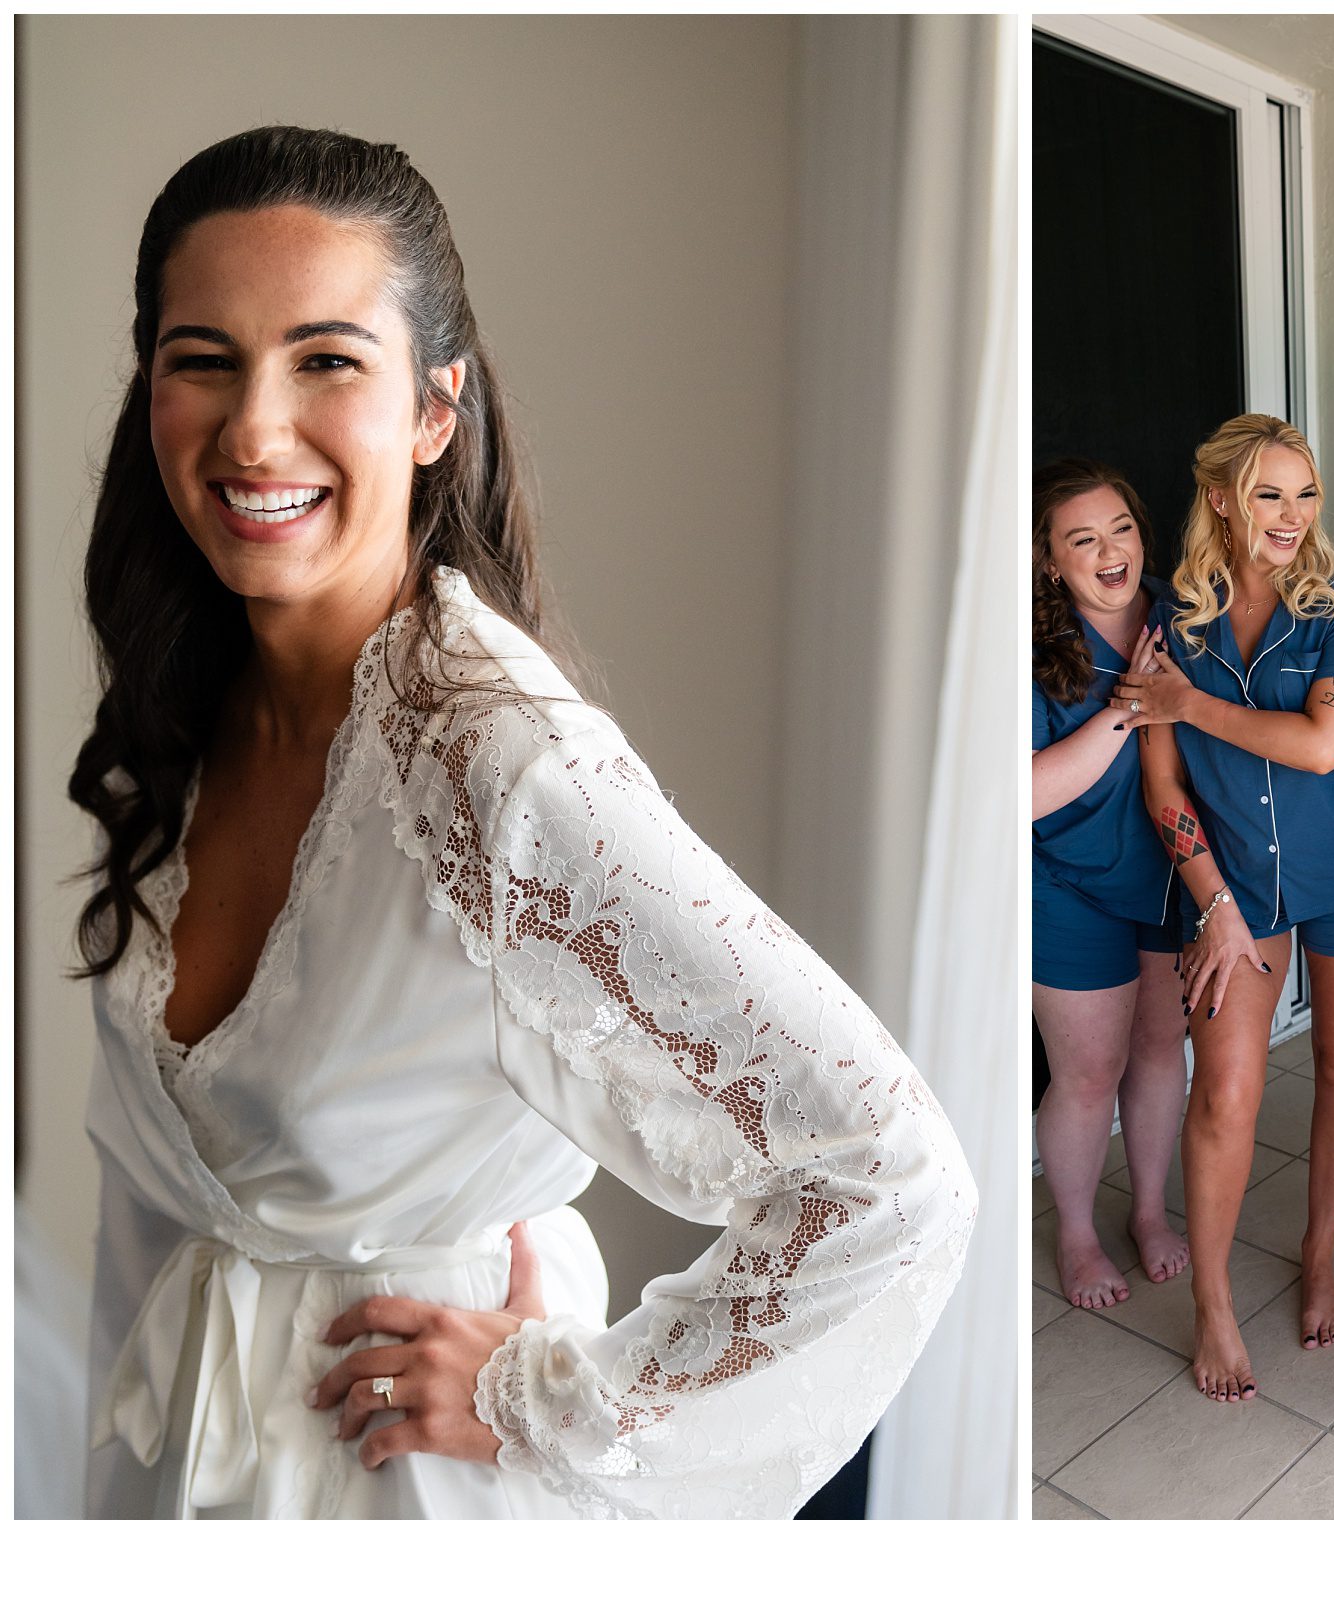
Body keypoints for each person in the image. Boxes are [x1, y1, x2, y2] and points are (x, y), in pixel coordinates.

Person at [70, 126, 973, 1519]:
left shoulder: (495, 768)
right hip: (166, 1480)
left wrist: (556, 1400)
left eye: (326, 359)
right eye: (205, 359)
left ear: (435, 409)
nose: (255, 428)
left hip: (403, 1503)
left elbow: (889, 1174)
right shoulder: (191, 708)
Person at [1114, 413, 1334, 1402]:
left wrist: (1190, 705)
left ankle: (1316, 1253)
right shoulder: (1171, 619)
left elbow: (1325, 746)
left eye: (1306, 493)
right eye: (1269, 494)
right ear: (1218, 498)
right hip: (1233, 884)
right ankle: (1211, 1306)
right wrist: (1214, 906)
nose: (1291, 515)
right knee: (1226, 1092)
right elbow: (1162, 787)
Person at [1031, 459, 1189, 1310]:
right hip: (1065, 883)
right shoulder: (1030, 646)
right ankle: (1081, 1234)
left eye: (1120, 528)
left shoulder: (1183, 612)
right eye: (1081, 539)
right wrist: (1128, 705)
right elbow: (1021, 794)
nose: (1110, 551)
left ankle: (1152, 1213)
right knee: (1090, 1072)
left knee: (1163, 1051)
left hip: (1170, 876)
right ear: (1050, 559)